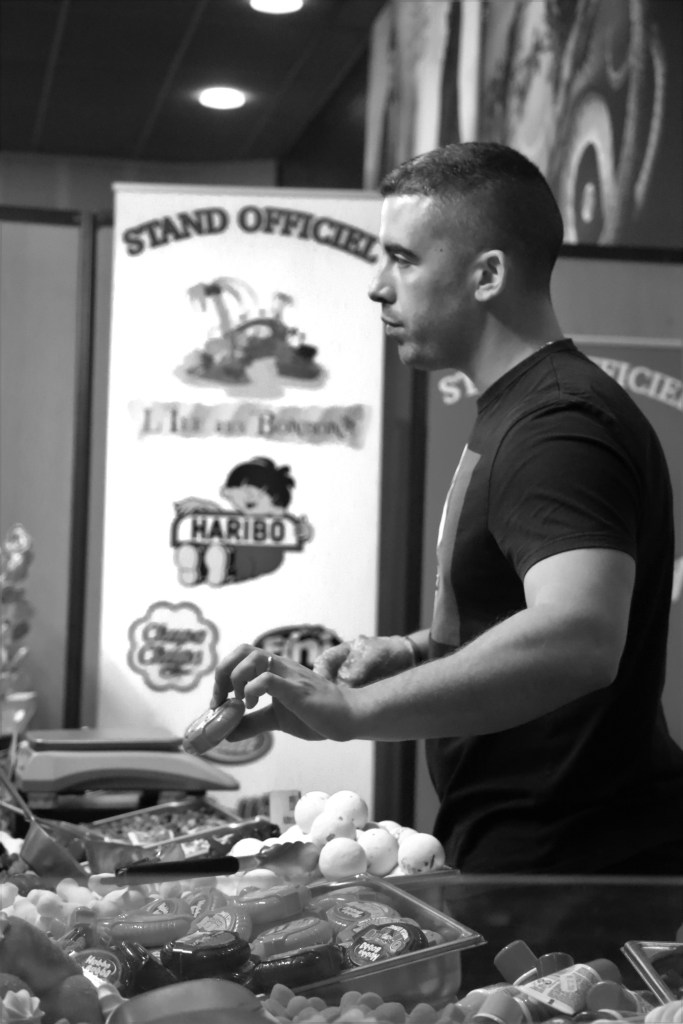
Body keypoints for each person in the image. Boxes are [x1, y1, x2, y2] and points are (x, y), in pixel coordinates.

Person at [212, 142, 683, 875]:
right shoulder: (525, 410)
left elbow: (578, 636)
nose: (379, 287)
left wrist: (354, 714)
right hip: (540, 851)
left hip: (571, 865)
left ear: (486, 274)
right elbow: (521, 618)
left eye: (402, 259)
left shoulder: (558, 424)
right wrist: (412, 652)